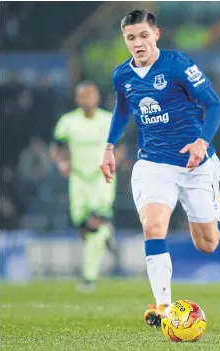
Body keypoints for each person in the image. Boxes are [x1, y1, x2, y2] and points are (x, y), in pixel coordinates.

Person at [99, 10, 220, 329]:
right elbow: (121, 109)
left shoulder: (177, 64)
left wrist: (202, 142)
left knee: (208, 244)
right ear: (125, 40)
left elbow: (215, 104)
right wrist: (108, 146)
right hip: (154, 163)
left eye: (143, 36)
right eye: (131, 38)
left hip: (195, 163)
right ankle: (163, 307)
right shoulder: (122, 75)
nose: (138, 43)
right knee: (153, 226)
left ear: (155, 34)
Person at [50, 81, 125, 293]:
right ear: (77, 99)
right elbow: (56, 148)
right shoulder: (68, 122)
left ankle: (89, 277)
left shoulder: (108, 120)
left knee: (94, 226)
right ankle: (106, 234)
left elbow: (119, 148)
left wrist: (113, 164)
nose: (87, 99)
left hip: (102, 177)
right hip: (78, 178)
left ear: (97, 98)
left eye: (91, 95)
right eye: (83, 95)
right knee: (82, 225)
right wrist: (62, 163)